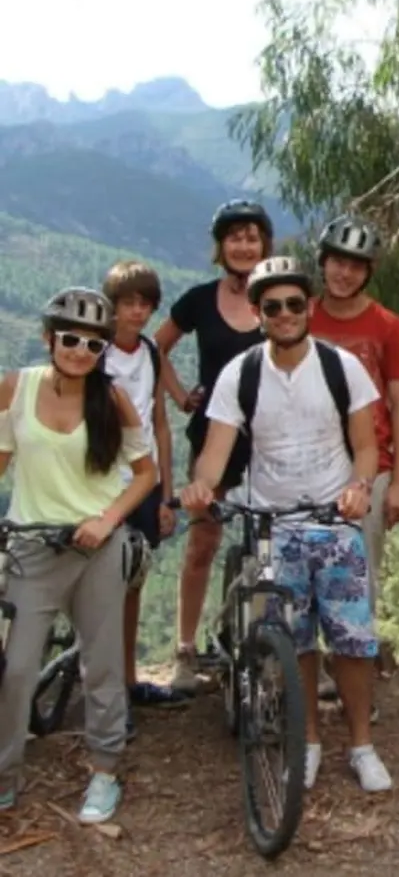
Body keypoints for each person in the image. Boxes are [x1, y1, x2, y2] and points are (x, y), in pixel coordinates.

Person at [178, 256, 392, 792]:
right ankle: (309, 742)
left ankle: (362, 744)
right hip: (271, 524)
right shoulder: (241, 373)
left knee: (352, 640)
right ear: (257, 313)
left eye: (294, 303)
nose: (285, 313)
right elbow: (215, 451)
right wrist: (201, 486)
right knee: (294, 641)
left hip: (333, 517)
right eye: (272, 306)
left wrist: (360, 488)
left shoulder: (343, 367)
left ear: (309, 307)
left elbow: (366, 447)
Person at [0, 288, 157, 823]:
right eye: (69, 338)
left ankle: (105, 771)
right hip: (32, 547)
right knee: (17, 669)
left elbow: (145, 475)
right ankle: (5, 775)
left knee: (103, 663)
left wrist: (106, 520)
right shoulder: (16, 388)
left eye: (93, 343)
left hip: (97, 548)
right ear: (48, 339)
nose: (79, 350)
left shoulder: (112, 400)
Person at [155, 200, 273, 693]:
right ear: (220, 247)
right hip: (213, 438)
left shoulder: (280, 298)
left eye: (252, 237)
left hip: (271, 437)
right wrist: (181, 396)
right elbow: (154, 346)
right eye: (234, 237)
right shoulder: (200, 300)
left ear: (265, 244)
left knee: (277, 545)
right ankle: (185, 650)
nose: (244, 246)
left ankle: (280, 648)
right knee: (203, 541)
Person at [310, 214, 399, 708]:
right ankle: (307, 674)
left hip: (368, 466)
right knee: (304, 569)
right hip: (307, 462)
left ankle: (354, 678)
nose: (343, 274)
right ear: (323, 262)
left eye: (355, 266)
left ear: (367, 272)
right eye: (337, 262)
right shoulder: (301, 315)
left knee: (360, 578)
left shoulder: (386, 326)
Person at [101, 261, 190, 737]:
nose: (136, 312)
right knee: (102, 590)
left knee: (132, 583)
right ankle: (107, 691)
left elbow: (160, 422)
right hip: (103, 485)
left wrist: (167, 495)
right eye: (127, 303)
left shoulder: (152, 352)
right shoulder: (95, 353)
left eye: (144, 303)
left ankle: (130, 681)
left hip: (145, 481)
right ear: (111, 306)